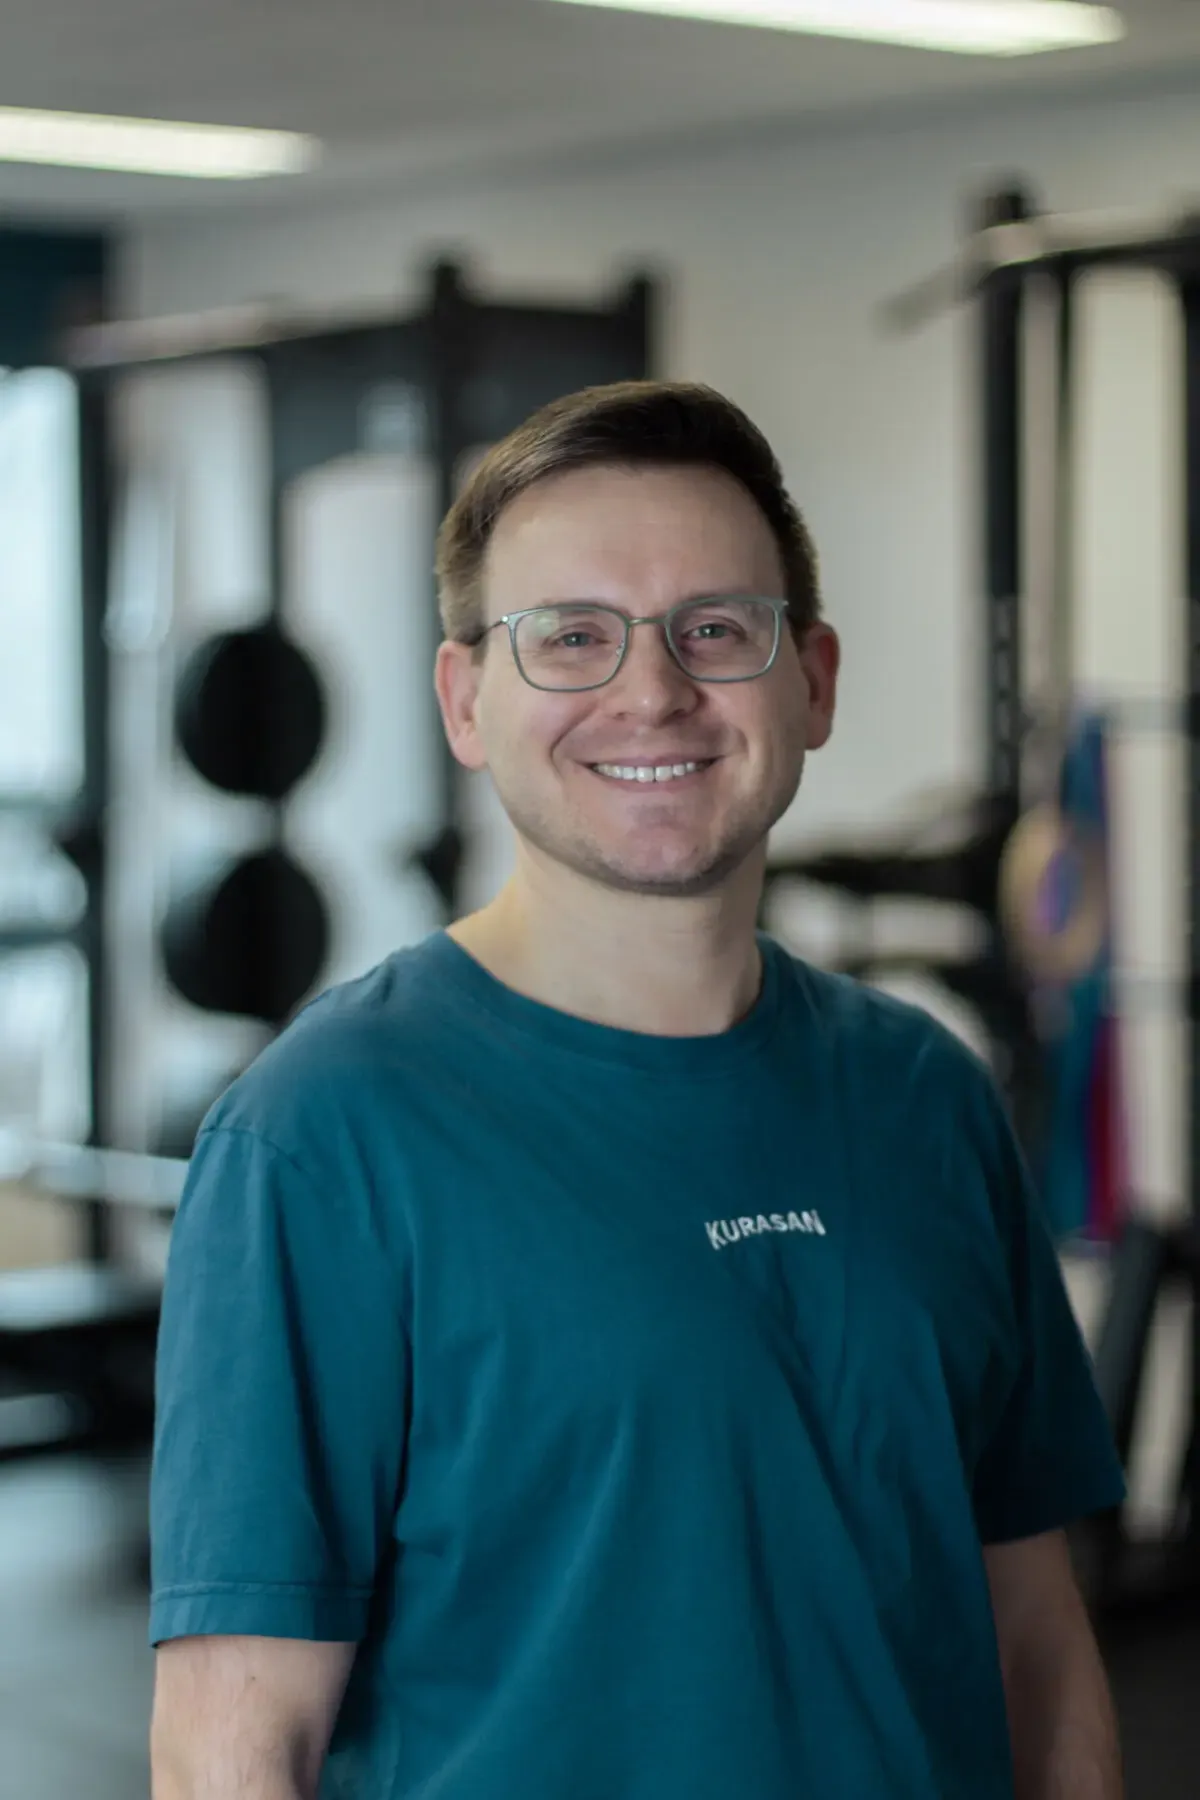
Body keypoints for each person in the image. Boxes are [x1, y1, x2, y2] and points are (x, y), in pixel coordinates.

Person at [148, 379, 1126, 1800]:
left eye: (715, 630)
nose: (652, 690)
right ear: (466, 699)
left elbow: (1036, 1643)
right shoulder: (321, 1137)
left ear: (815, 682)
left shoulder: (927, 1093)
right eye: (572, 639)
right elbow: (234, 1748)